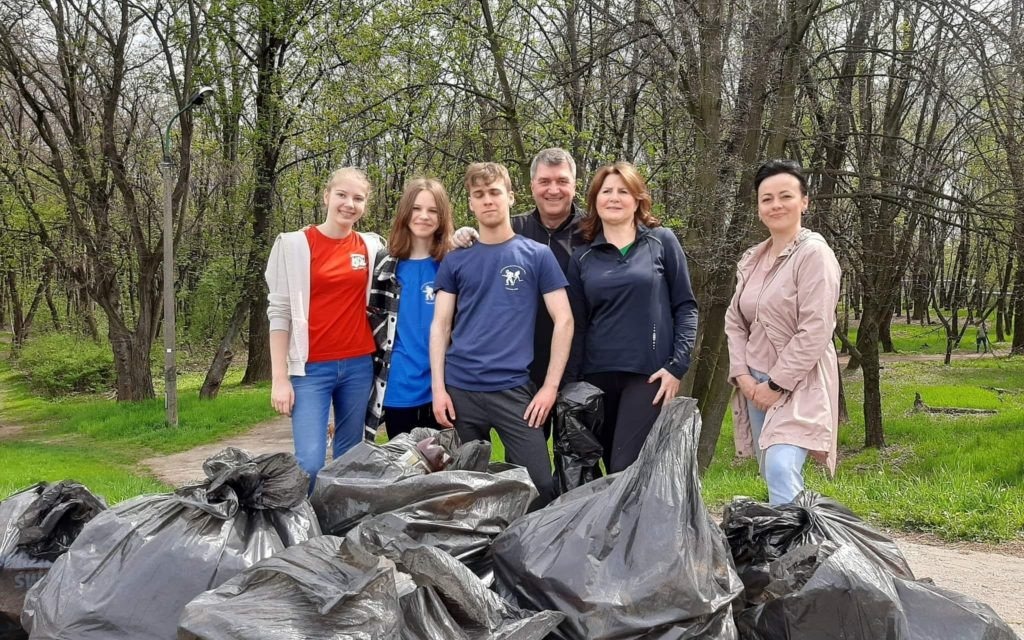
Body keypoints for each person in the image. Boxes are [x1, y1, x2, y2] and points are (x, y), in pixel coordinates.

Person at [430, 162, 573, 507]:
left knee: (539, 485)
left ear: (510, 196)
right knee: (465, 492)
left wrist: (550, 388)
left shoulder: (537, 255)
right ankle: (478, 559)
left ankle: (528, 556)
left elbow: (564, 320)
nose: (488, 201)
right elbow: (441, 325)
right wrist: (438, 389)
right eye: (479, 195)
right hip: (460, 392)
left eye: (494, 192)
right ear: (471, 204)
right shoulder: (456, 259)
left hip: (515, 393)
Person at [564, 162, 698, 473]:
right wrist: (571, 385)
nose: (614, 197)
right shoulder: (582, 255)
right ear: (595, 201)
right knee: (606, 466)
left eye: (623, 191)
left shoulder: (661, 241)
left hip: (648, 375)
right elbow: (577, 326)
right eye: (606, 191)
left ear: (637, 198)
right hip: (595, 378)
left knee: (626, 468)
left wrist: (677, 366)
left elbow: (686, 306)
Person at [724, 158, 841, 506]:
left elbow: (816, 328)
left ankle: (796, 557)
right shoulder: (752, 258)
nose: (776, 205)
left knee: (780, 468)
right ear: (758, 208)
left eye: (785, 196)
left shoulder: (814, 255)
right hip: (754, 383)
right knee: (772, 471)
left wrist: (776, 384)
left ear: (804, 201)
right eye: (767, 198)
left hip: (797, 383)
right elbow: (734, 321)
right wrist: (742, 375)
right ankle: (801, 543)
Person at [265, 167, 385, 492]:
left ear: (365, 205)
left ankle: (339, 528)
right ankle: (306, 530)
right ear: (326, 196)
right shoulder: (293, 245)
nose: (349, 204)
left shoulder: (372, 247)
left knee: (350, 457)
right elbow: (279, 314)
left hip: (359, 365)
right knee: (310, 461)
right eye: (342, 195)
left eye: (358, 198)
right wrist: (279, 379)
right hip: (310, 370)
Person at [454, 148, 587, 438]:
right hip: (522, 370)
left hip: (582, 363)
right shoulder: (512, 229)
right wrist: (464, 234)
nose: (554, 189)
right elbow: (480, 246)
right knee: (529, 464)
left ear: (575, 184)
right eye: (545, 181)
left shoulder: (593, 233)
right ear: (531, 187)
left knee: (579, 460)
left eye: (562, 181)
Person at [365, 178, 454, 440]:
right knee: (406, 471)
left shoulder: (452, 262)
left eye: (432, 210)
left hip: (445, 386)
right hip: (399, 387)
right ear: (405, 213)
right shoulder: (384, 264)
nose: (423, 216)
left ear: (442, 216)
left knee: (444, 472)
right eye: (416, 209)